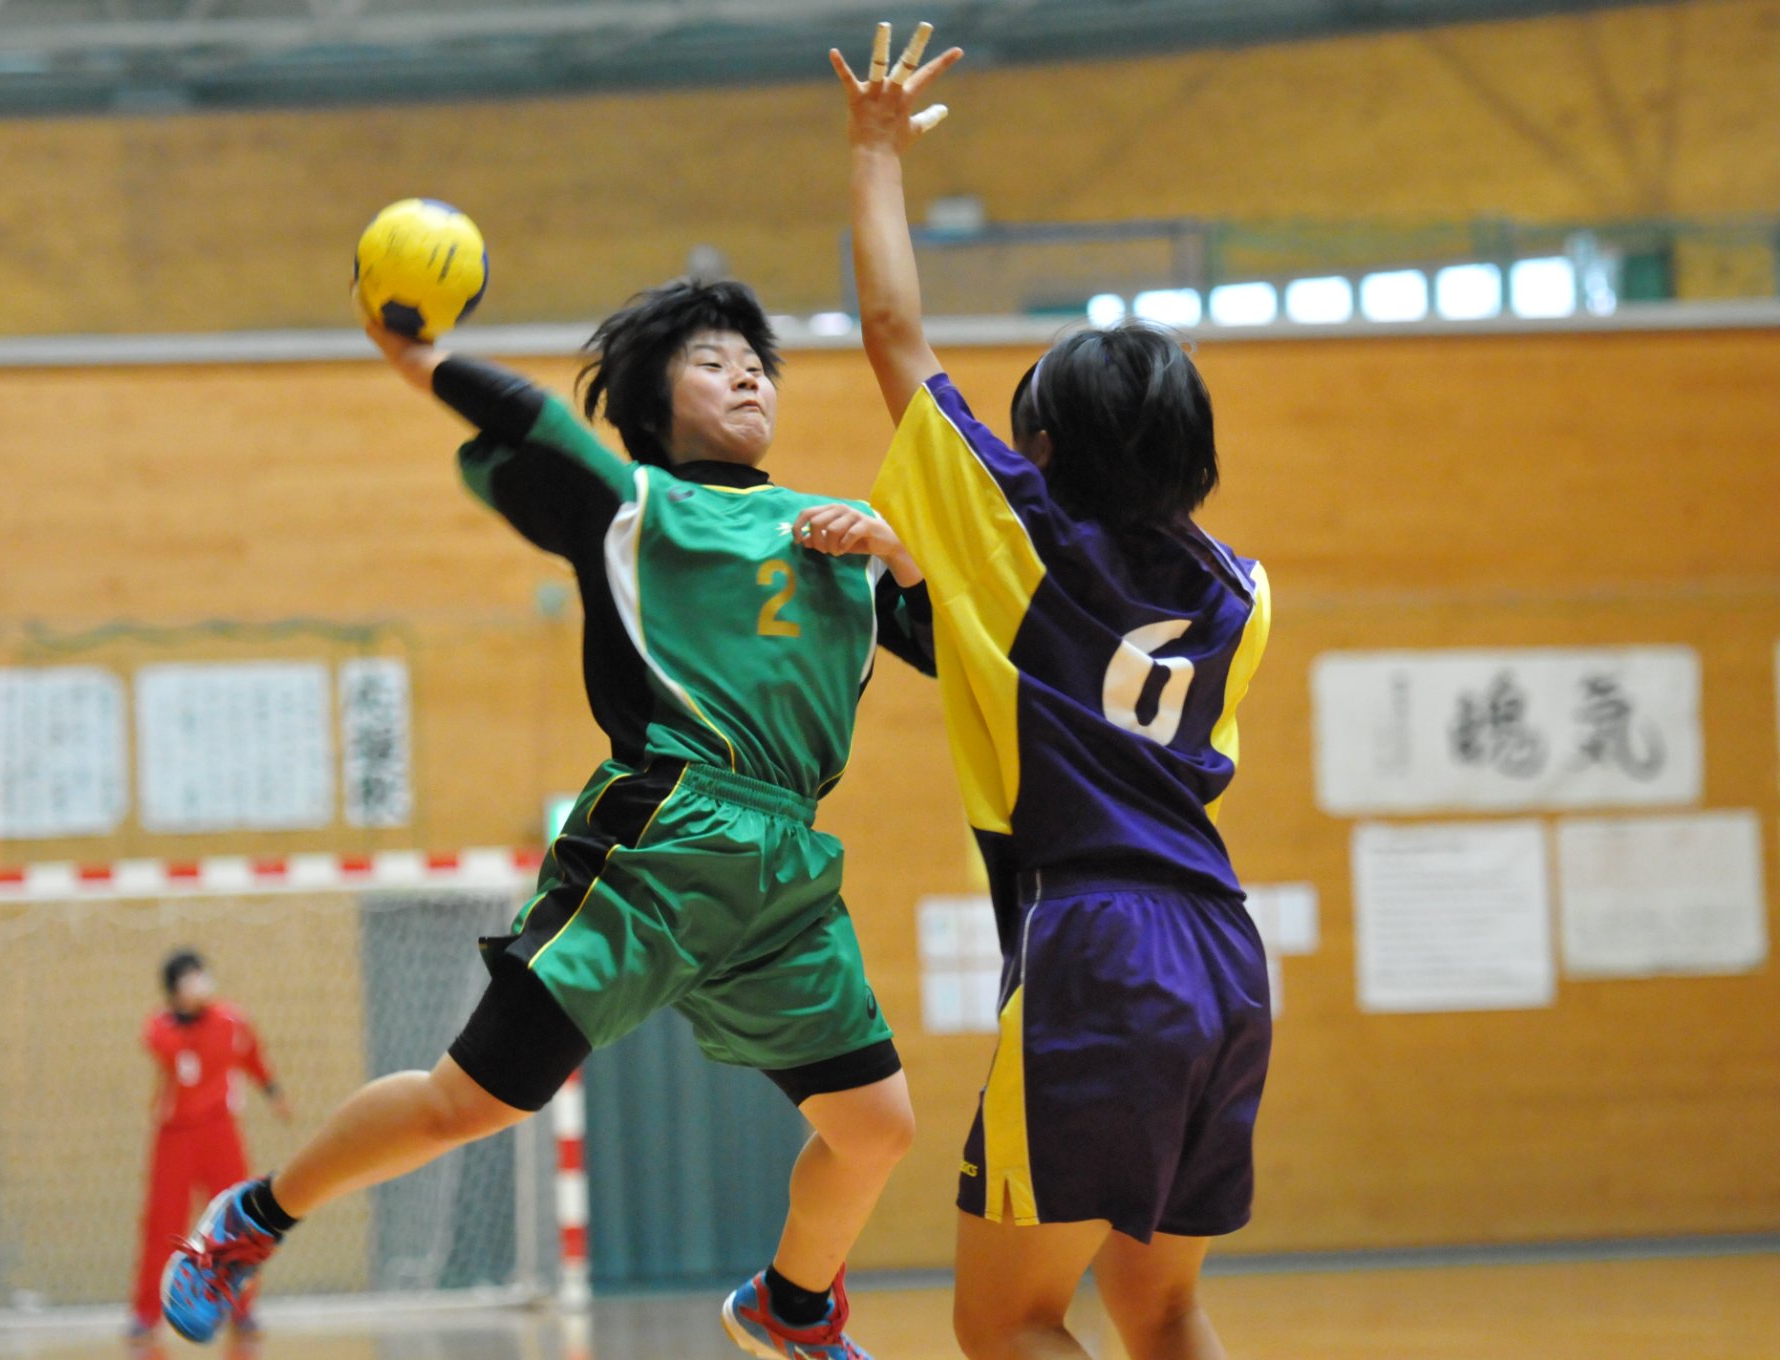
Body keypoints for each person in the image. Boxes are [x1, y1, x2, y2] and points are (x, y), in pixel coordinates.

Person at [163, 278, 935, 1360]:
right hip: (664, 835)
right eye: (711, 361)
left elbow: (952, 647)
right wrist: (415, 357)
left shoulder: (840, 537)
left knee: (875, 1129)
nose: (747, 375)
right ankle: (254, 1217)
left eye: (756, 362)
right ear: (652, 400)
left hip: (787, 865)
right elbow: (531, 420)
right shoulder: (636, 507)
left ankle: (791, 1306)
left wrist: (897, 551)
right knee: (470, 1102)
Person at [812, 23, 1274, 1360]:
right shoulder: (1243, 595)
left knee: (1004, 1320)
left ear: (1044, 446)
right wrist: (925, 583)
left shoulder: (1019, 535)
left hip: (1097, 946)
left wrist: (874, 150)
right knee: (1160, 1305)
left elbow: (892, 331)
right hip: (1223, 953)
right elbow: (1072, 668)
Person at [130, 949, 289, 1341]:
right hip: (175, 1135)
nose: (201, 984)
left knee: (238, 1222)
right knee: (163, 1223)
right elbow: (170, 1051)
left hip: (220, 1131)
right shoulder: (160, 1026)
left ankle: (242, 1310)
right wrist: (186, 1017)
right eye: (190, 978)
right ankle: (147, 1313)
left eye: (201, 975)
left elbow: (252, 1056)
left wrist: (273, 1092)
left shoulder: (231, 1020)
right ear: (174, 989)